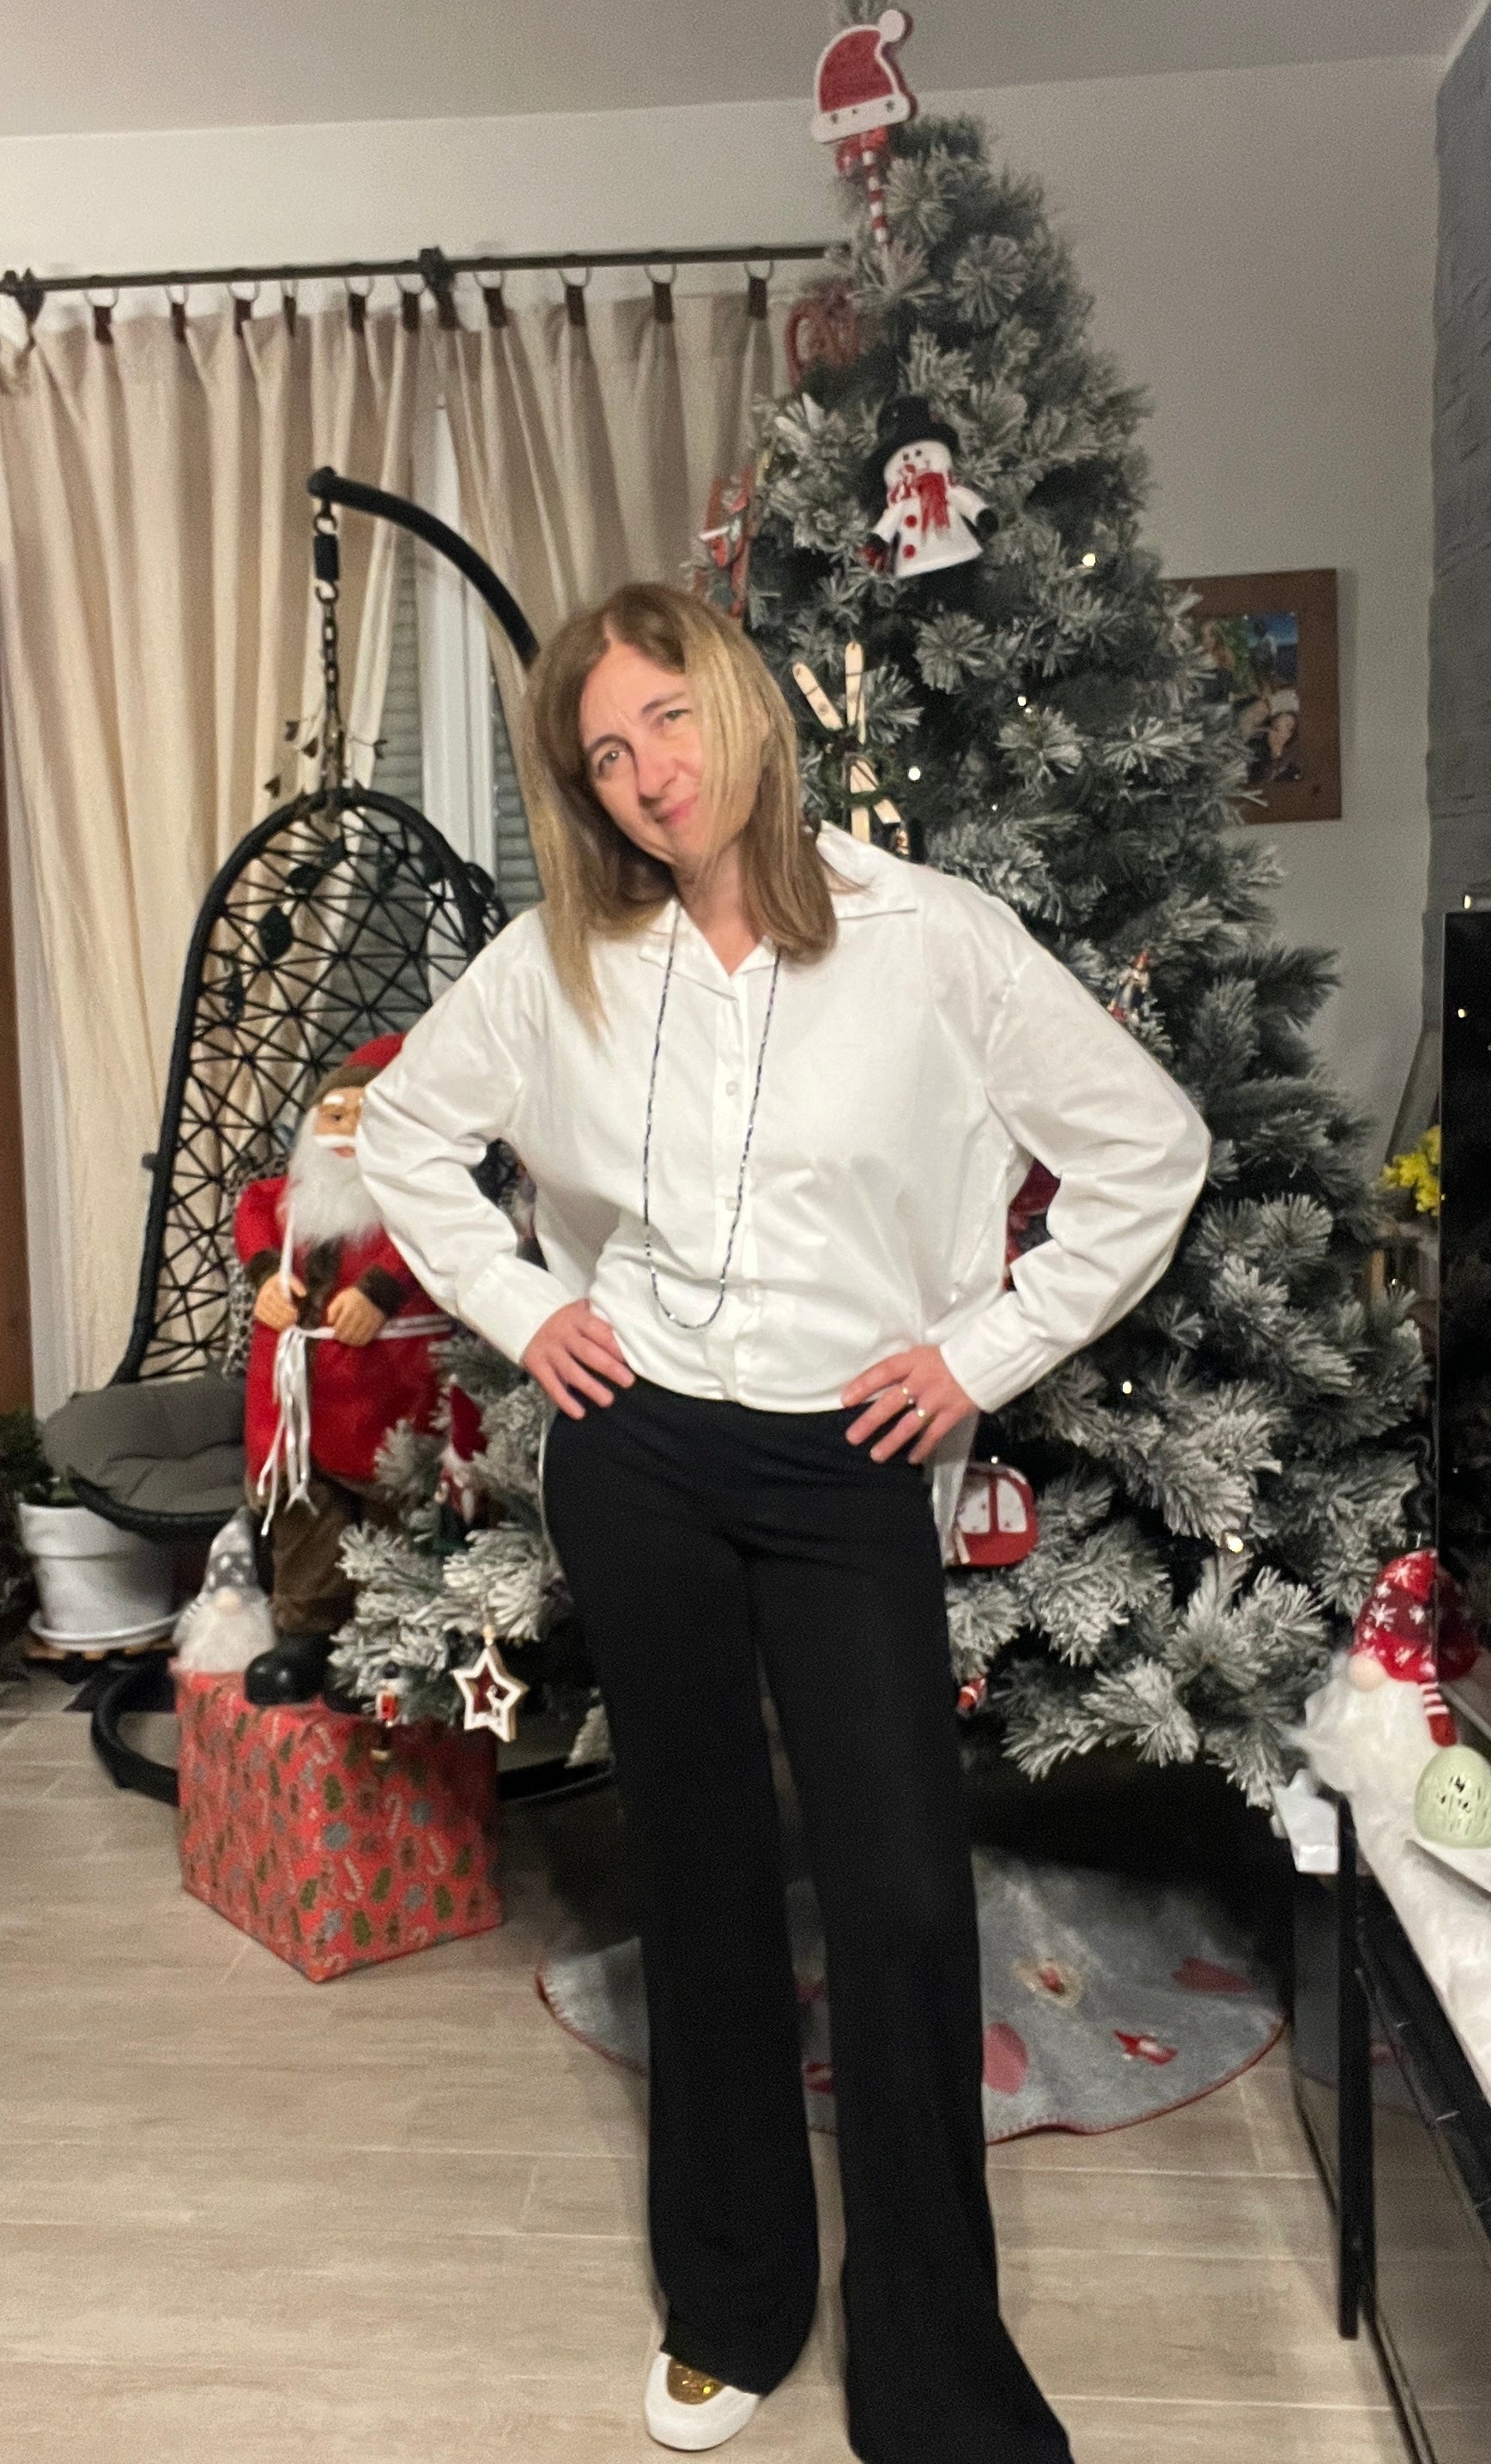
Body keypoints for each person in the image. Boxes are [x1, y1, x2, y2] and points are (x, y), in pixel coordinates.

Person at [355, 585, 1209, 2464]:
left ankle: (933, 2362)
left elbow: (1149, 1146)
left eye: (666, 718)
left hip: (845, 1460)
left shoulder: (929, 940)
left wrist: (978, 1351)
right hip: (639, 1450)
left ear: (738, 702)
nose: (649, 774)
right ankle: (732, 2294)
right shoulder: (563, 959)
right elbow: (401, 1133)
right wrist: (526, 1306)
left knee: (897, 1894)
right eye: (605, 754)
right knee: (703, 1872)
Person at [235, 1033, 451, 1706]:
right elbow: (253, 1214)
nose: (345, 1131)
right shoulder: (286, 1199)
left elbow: (432, 1238)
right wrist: (267, 1277)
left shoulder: (418, 1199)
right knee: (305, 1518)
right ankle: (306, 1632)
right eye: (334, 1114)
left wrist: (381, 1291)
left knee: (393, 1515)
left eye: (366, 1116)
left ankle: (386, 1636)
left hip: (385, 1396)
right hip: (297, 1406)